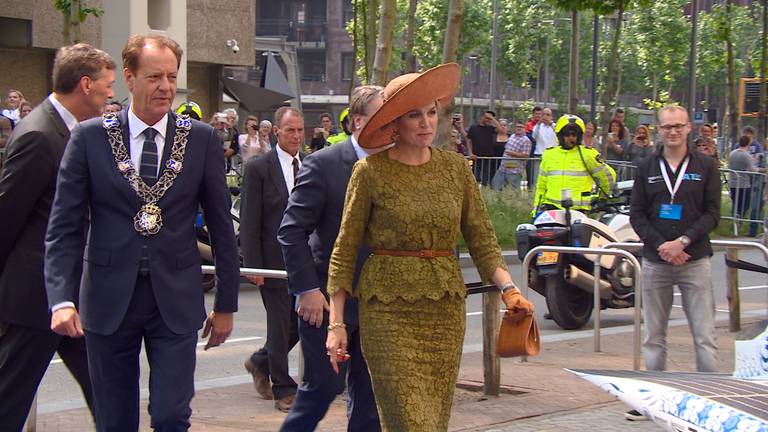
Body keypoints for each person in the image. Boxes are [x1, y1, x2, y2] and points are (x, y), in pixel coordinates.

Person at [44, 34, 240, 431]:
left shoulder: (199, 139)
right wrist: (60, 298)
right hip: (107, 298)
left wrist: (226, 304)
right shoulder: (90, 137)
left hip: (176, 298)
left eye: (171, 76)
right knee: (114, 419)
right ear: (129, 78)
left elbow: (221, 226)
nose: (165, 87)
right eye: (154, 77)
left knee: (171, 414)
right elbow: (63, 226)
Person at [324, 63, 534, 431]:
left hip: (443, 311)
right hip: (386, 312)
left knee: (433, 422)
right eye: (413, 115)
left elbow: (483, 240)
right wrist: (336, 323)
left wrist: (510, 290)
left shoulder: (456, 170)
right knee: (407, 420)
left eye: (431, 112)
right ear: (394, 123)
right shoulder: (369, 172)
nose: (426, 123)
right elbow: (344, 249)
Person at [0, 43, 115, 431]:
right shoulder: (38, 135)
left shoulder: (74, 133)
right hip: (34, 301)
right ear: (86, 84)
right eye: (107, 84)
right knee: (9, 399)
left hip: (71, 296)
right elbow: (7, 217)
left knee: (109, 391)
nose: (111, 93)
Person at [277, 85, 384, 431]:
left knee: (369, 400)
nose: (389, 125)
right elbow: (292, 230)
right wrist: (306, 289)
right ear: (357, 121)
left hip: (376, 303)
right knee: (322, 389)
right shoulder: (323, 164)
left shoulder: (396, 166)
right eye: (380, 117)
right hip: (325, 301)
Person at [628, 105, 720, 421]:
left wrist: (683, 242)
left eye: (678, 126)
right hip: (656, 261)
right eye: (667, 127)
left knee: (704, 335)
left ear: (689, 129)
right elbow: (636, 214)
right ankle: (653, 399)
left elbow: (712, 213)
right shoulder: (645, 167)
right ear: (659, 129)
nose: (673, 132)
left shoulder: (706, 166)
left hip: (695, 260)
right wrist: (662, 246)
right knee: (653, 336)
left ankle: (709, 399)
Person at [240, 106, 303, 412]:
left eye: (300, 130)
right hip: (271, 261)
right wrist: (253, 265)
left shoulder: (308, 166)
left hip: (302, 261)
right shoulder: (259, 168)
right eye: (290, 130)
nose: (296, 136)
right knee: (278, 324)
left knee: (299, 322)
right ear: (276, 131)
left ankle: (260, 361)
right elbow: (250, 220)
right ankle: (283, 388)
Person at [532, 114, 616, 215]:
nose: (571, 138)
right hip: (552, 209)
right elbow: (541, 186)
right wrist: (536, 210)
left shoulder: (588, 155)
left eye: (574, 134)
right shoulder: (549, 154)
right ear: (560, 135)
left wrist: (602, 198)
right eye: (567, 134)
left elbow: (608, 176)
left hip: (578, 211)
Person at [491, 122, 531, 191]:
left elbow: (526, 156)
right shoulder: (512, 136)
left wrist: (513, 154)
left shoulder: (526, 140)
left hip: (514, 170)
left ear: (524, 129)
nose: (518, 128)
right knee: (495, 186)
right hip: (503, 168)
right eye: (517, 126)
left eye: (521, 127)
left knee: (513, 191)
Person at [467, 110, 500, 185]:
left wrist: (493, 118)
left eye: (490, 119)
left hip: (488, 157)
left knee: (486, 179)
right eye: (486, 118)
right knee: (475, 178)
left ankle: (485, 192)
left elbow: (500, 129)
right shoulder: (473, 128)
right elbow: (468, 140)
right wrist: (470, 152)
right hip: (476, 157)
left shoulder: (491, 128)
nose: (488, 120)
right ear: (482, 117)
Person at [728, 135, 754, 218]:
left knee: (736, 204)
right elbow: (752, 170)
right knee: (745, 204)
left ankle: (735, 221)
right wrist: (762, 170)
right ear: (748, 143)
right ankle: (738, 220)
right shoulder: (747, 156)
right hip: (744, 184)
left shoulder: (732, 153)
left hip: (733, 183)